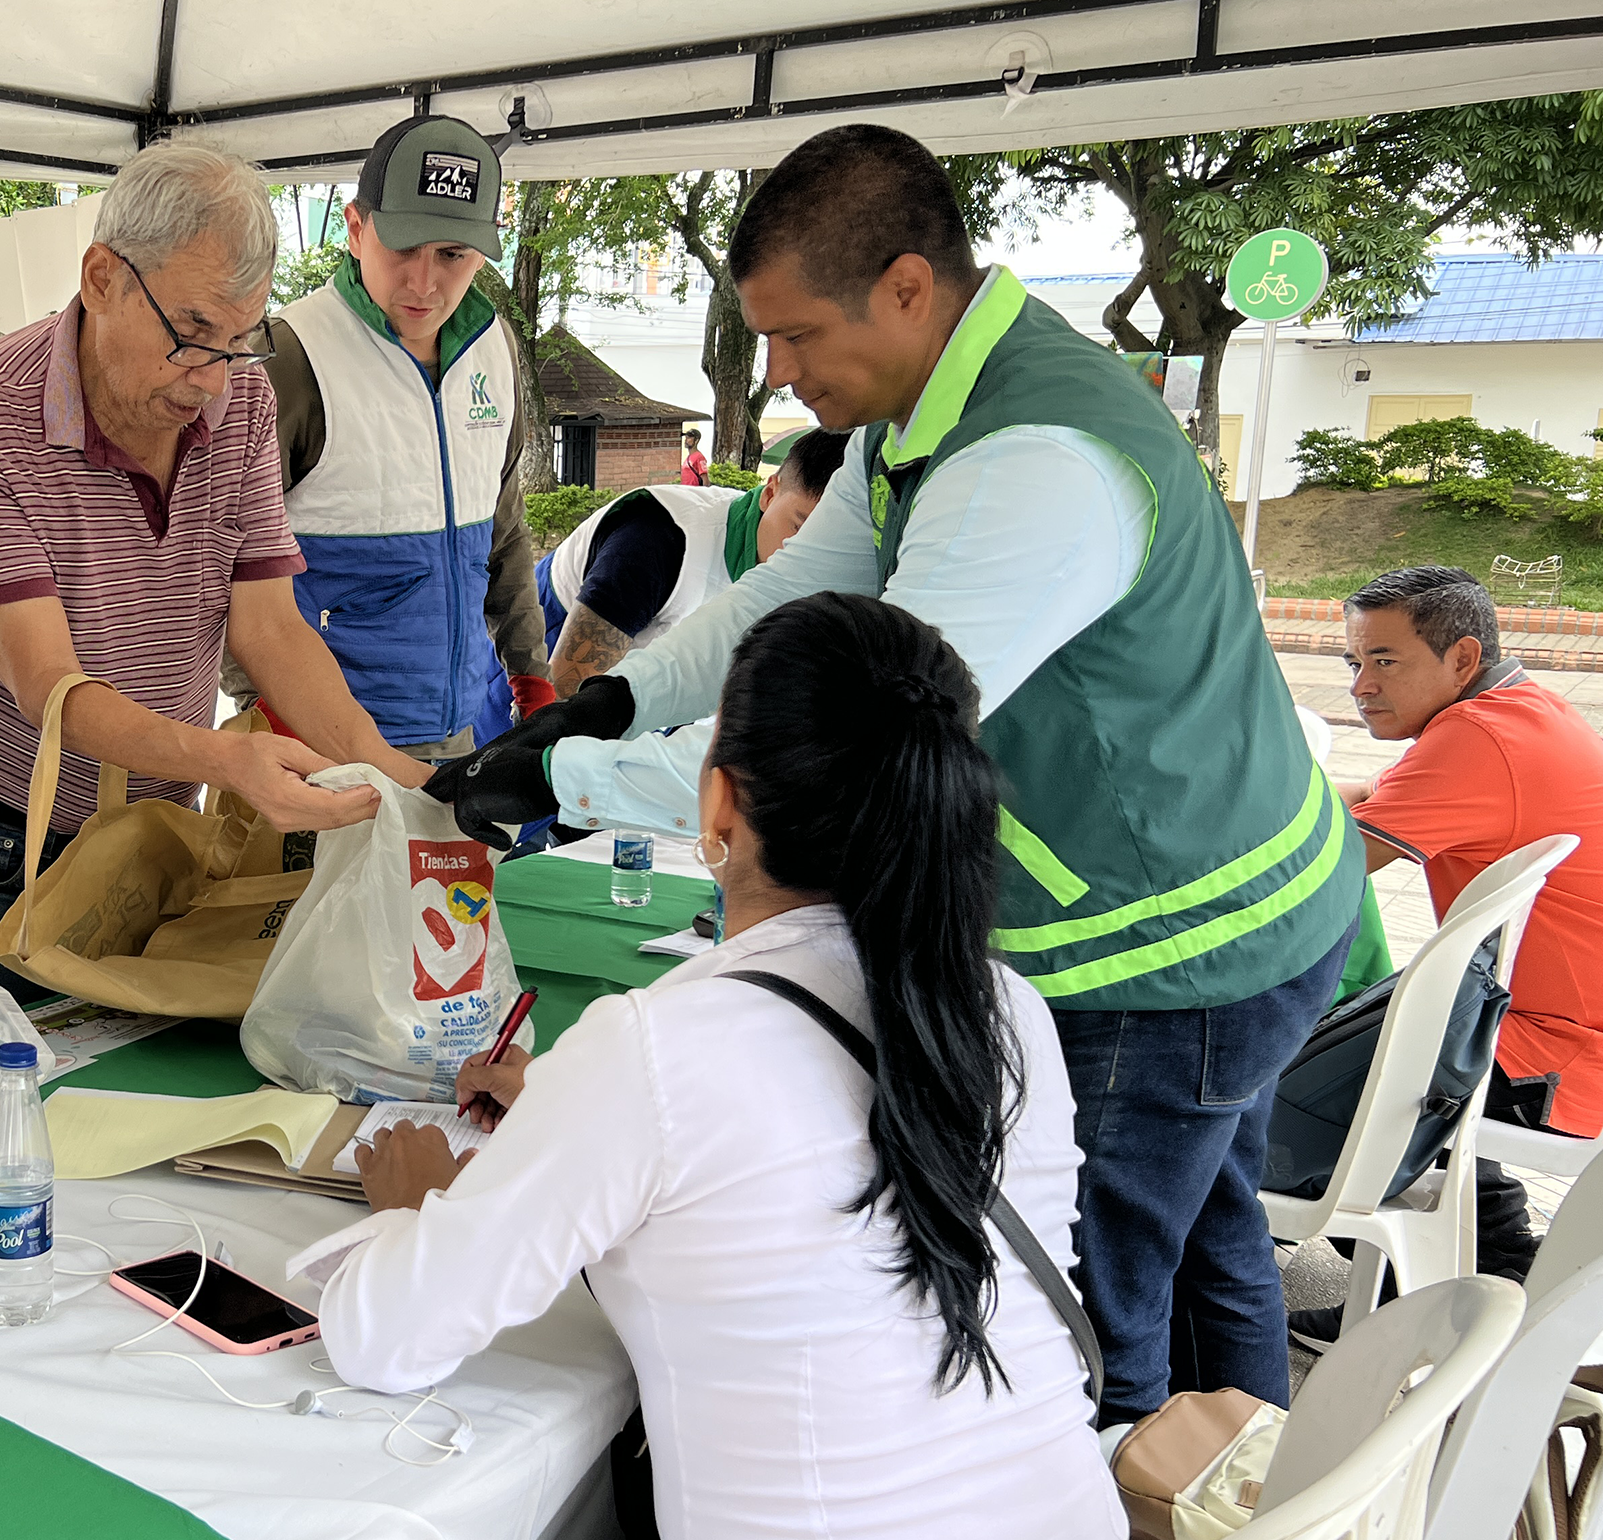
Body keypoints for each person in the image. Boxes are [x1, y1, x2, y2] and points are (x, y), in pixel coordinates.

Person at [427, 124, 1363, 1426]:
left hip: (1168, 954)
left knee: (1086, 1314)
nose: (779, 373)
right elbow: (794, 595)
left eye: (799, 338)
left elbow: (850, 744)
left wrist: (575, 780)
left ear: (908, 286)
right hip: (1235, 897)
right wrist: (616, 697)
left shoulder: (1034, 464)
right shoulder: (925, 411)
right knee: (1211, 1253)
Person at [294, 595, 1131, 1540]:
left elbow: (387, 1340)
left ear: (718, 804)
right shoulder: (1007, 1009)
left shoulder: (656, 1048)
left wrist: (413, 1210)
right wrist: (566, 1104)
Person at [0, 140, 432, 1000]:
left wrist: (388, 772)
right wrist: (226, 759)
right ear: (102, 277)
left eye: (238, 342)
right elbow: (48, 687)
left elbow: (269, 628)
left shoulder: (245, 400)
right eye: (190, 337)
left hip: (152, 824)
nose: (213, 383)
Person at [230, 113, 554, 764]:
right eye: (403, 246)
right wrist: (264, 711)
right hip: (315, 750)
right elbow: (219, 561)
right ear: (355, 229)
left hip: (455, 738)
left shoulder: (493, 349)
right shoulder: (288, 360)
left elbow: (503, 530)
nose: (424, 283)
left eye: (453, 254)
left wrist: (531, 675)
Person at [1319, 565, 1603, 1305]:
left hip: (1562, 1054)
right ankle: (1500, 1280)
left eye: (1385, 661)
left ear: (1463, 658)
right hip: (1549, 1024)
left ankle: (1421, 1302)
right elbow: (1371, 800)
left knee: (1316, 1084)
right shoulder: (1519, 709)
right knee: (1369, 1057)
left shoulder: (1478, 739)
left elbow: (1323, 867)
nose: (1360, 686)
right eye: (1354, 661)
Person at [543, 426, 847, 695]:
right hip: (550, 638)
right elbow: (565, 691)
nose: (807, 555)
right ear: (769, 493)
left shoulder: (829, 576)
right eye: (798, 528)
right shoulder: (659, 541)